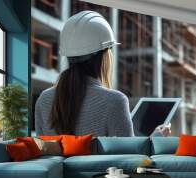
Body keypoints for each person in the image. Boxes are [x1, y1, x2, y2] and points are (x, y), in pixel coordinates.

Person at [35, 10, 170, 137]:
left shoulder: (44, 100)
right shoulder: (115, 101)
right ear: (104, 56)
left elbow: (45, 154)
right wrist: (156, 138)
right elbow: (129, 158)